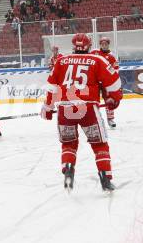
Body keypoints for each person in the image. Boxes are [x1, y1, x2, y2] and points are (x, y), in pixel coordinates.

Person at [41, 33, 122, 192]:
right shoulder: (97, 60)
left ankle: (68, 168)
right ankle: (105, 177)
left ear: (73, 45)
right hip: (88, 108)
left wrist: (48, 107)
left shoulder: (61, 61)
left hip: (65, 108)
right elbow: (114, 83)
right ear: (89, 46)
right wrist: (114, 98)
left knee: (69, 143)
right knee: (99, 144)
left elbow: (51, 87)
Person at [91, 37, 119, 128]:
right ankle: (95, 119)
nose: (104, 45)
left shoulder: (111, 56)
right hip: (95, 82)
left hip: (106, 83)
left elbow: (115, 70)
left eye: (105, 44)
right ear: (100, 45)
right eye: (102, 44)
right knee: (94, 100)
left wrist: (111, 81)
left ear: (108, 44)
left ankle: (110, 119)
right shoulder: (95, 53)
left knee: (109, 100)